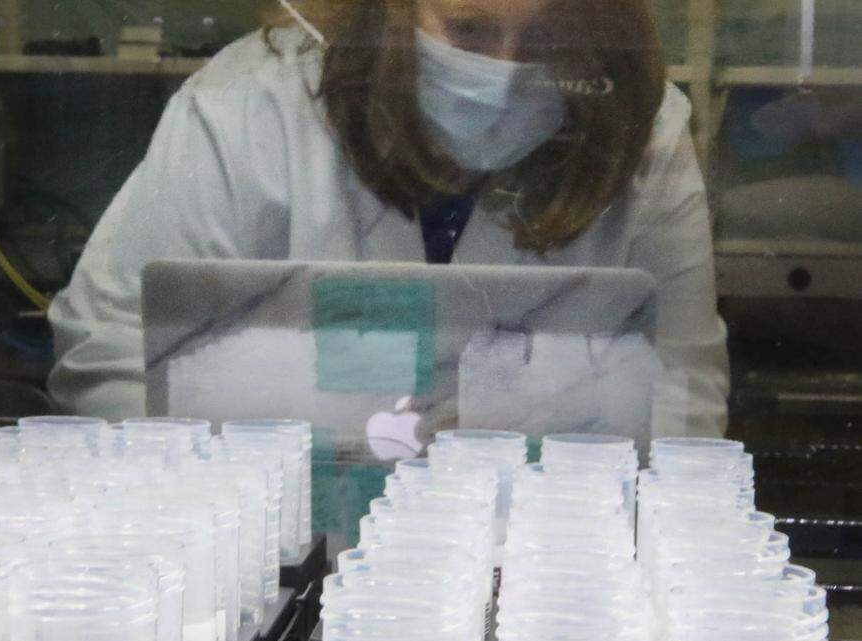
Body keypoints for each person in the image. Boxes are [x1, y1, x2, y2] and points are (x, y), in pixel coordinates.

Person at [46, 0, 730, 437]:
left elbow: (682, 396)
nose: (506, 70)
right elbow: (114, 352)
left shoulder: (644, 131)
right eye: (469, 29)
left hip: (533, 568)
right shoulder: (251, 106)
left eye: (548, 38)